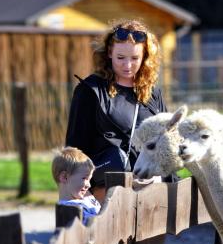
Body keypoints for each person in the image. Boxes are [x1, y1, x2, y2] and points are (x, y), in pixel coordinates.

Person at [65, 19, 168, 203]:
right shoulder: (90, 90)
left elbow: (167, 142)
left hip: (150, 194)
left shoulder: (154, 94)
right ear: (109, 53)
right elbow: (75, 147)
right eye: (121, 58)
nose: (127, 65)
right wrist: (82, 190)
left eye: (135, 58)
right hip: (106, 193)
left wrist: (169, 183)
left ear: (145, 57)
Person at [52, 147, 101, 225]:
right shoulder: (68, 212)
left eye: (89, 179)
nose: (89, 185)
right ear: (65, 177)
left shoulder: (85, 197)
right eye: (85, 178)